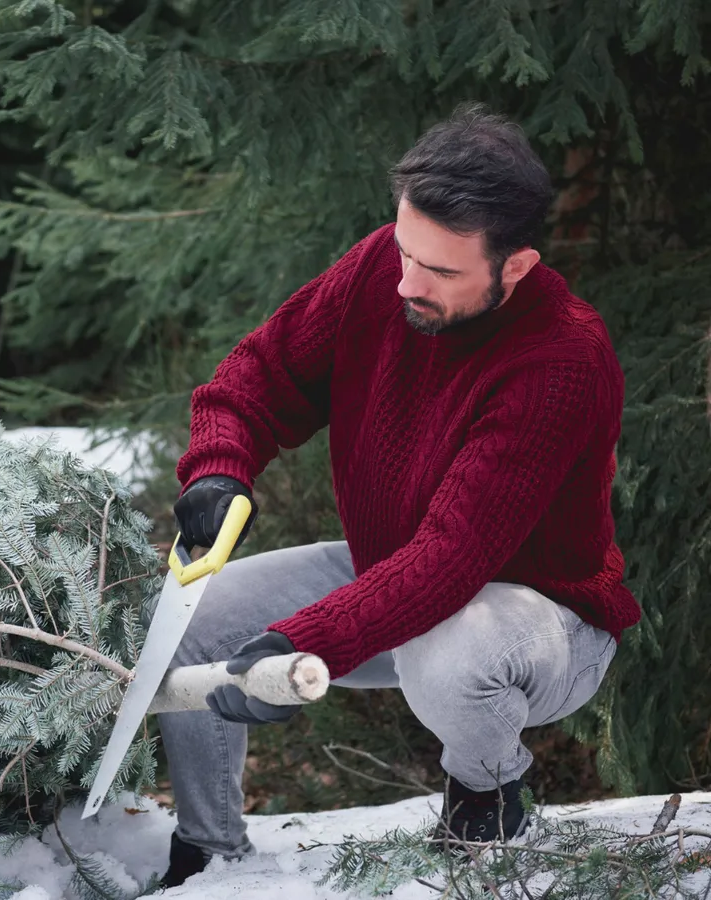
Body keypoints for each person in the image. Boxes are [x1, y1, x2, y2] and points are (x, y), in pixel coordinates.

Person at [156, 102, 642, 889]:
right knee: (197, 615)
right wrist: (219, 468)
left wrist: (300, 643)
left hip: (536, 618)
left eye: (442, 272)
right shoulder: (387, 267)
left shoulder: (562, 359)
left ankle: (489, 798)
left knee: (451, 655)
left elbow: (453, 559)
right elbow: (258, 375)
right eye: (405, 252)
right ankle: (208, 855)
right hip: (392, 573)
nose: (407, 283)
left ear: (514, 267)